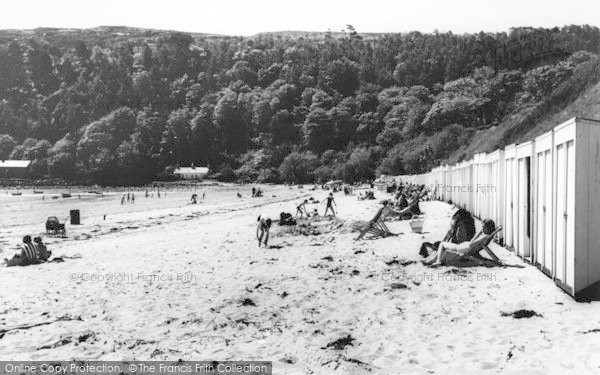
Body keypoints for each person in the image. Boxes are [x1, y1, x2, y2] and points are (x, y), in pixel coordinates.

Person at [423, 219, 496, 266]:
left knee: (442, 244)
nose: (482, 228)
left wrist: (479, 236)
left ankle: (438, 261)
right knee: (443, 245)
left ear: (487, 227)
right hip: (464, 247)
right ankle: (432, 260)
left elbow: (471, 244)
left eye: (483, 227)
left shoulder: (484, 237)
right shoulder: (486, 236)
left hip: (462, 248)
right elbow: (473, 242)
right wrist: (480, 233)